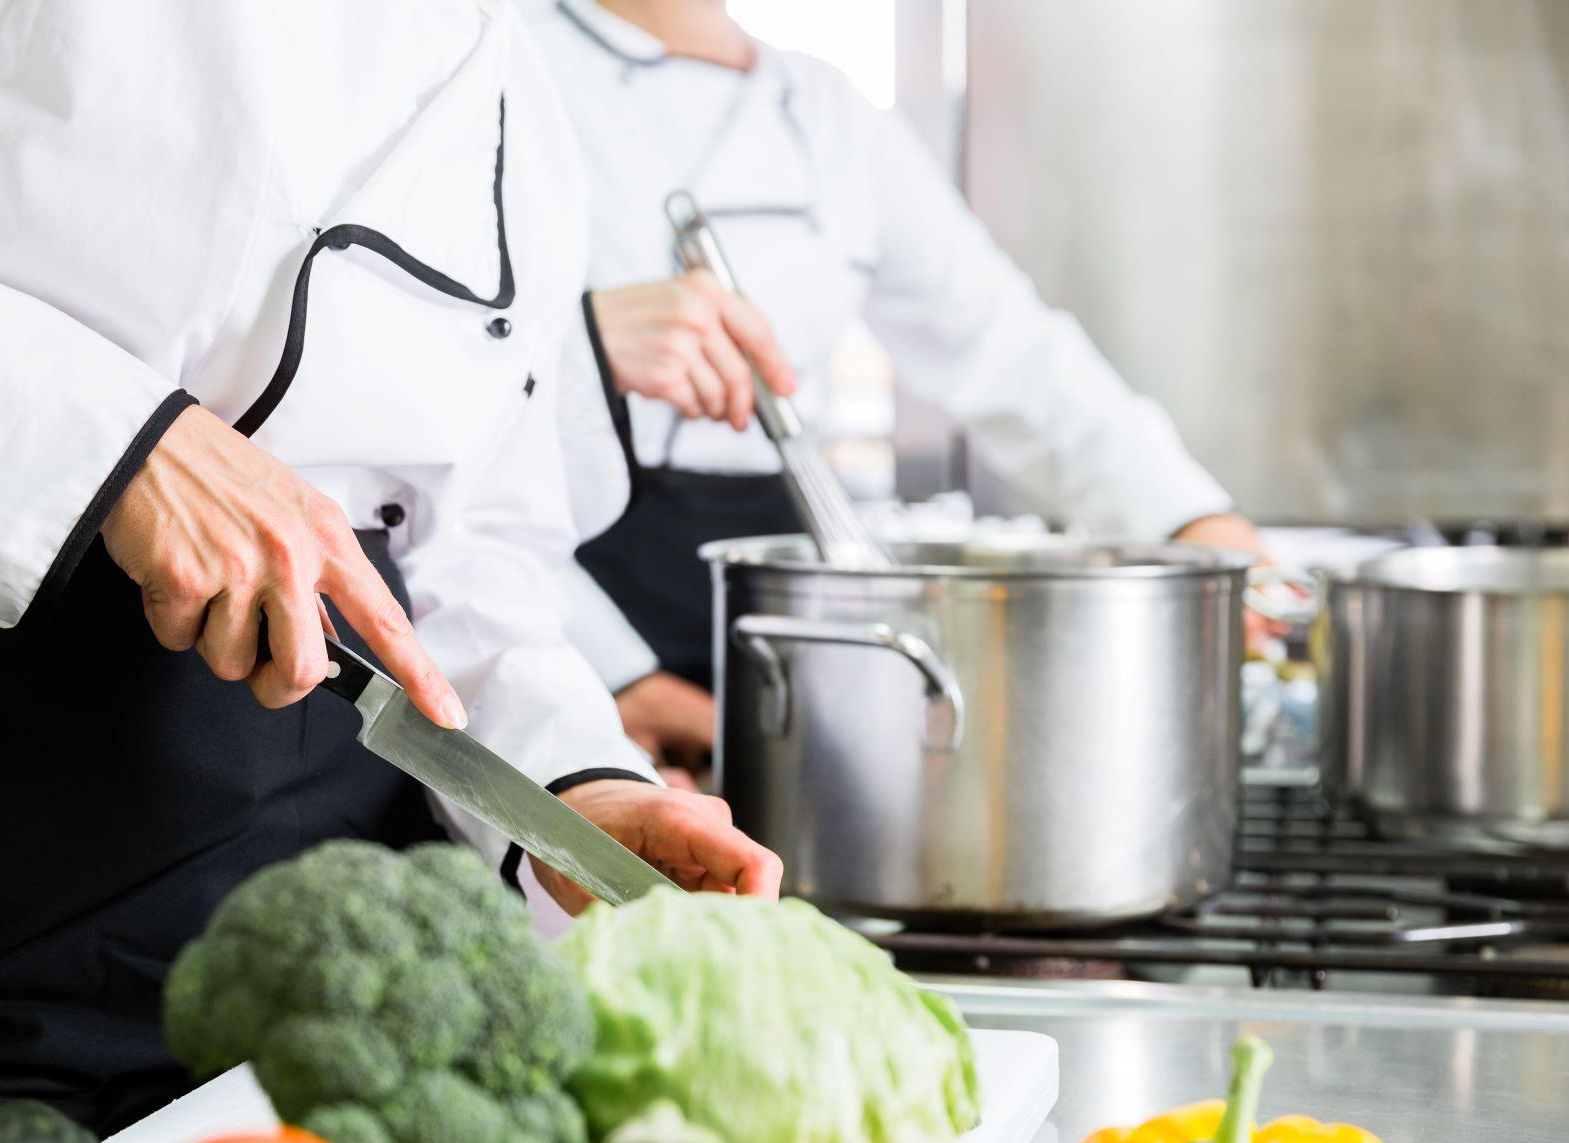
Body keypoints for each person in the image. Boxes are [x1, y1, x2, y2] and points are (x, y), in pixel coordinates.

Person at [0, 3, 780, 1143]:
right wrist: (114, 441)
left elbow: (470, 548)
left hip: (330, 1019)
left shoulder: (504, 87)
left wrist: (578, 794)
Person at [532, 0, 1274, 775]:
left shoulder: (824, 108)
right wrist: (611, 675)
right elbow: (435, 459)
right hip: (559, 593)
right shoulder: (506, 60)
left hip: (779, 591)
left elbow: (1003, 344)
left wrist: (1189, 518)